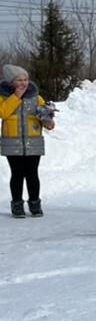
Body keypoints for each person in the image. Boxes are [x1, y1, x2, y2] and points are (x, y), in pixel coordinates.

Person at [1, 64, 56, 218]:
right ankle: (17, 205)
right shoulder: (3, 97)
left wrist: (48, 122)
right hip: (13, 142)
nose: (23, 83)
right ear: (11, 82)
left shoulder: (36, 97)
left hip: (33, 142)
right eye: (19, 80)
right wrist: (16, 97)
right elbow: (3, 113)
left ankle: (35, 204)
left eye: (25, 79)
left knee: (32, 174)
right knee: (17, 174)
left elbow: (45, 115)